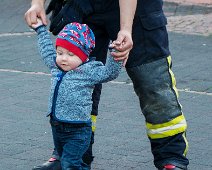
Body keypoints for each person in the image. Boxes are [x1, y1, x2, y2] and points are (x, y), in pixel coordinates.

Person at [25, 0, 189, 170]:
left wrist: (125, 28)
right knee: (74, 82)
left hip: (138, 10)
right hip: (83, 7)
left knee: (152, 82)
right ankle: (70, 156)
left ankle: (171, 158)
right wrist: (37, 3)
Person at [30, 18, 123, 169]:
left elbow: (109, 73)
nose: (64, 58)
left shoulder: (89, 70)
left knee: (70, 164)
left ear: (84, 56)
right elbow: (46, 49)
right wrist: (40, 29)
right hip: (56, 126)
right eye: (60, 52)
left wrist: (115, 53)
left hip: (78, 130)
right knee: (69, 162)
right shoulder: (56, 65)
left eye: (71, 54)